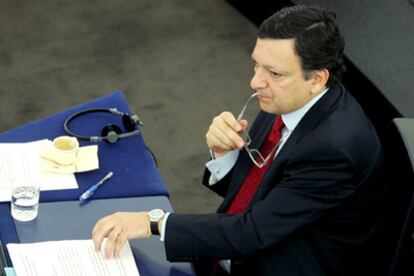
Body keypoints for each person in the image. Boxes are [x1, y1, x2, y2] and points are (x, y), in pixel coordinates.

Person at [92, 5, 384, 275]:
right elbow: (257, 193)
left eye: (274, 72)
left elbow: (251, 233)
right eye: (257, 65)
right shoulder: (288, 99)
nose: (255, 82)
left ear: (317, 79)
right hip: (255, 240)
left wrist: (152, 222)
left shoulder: (334, 148)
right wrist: (224, 156)